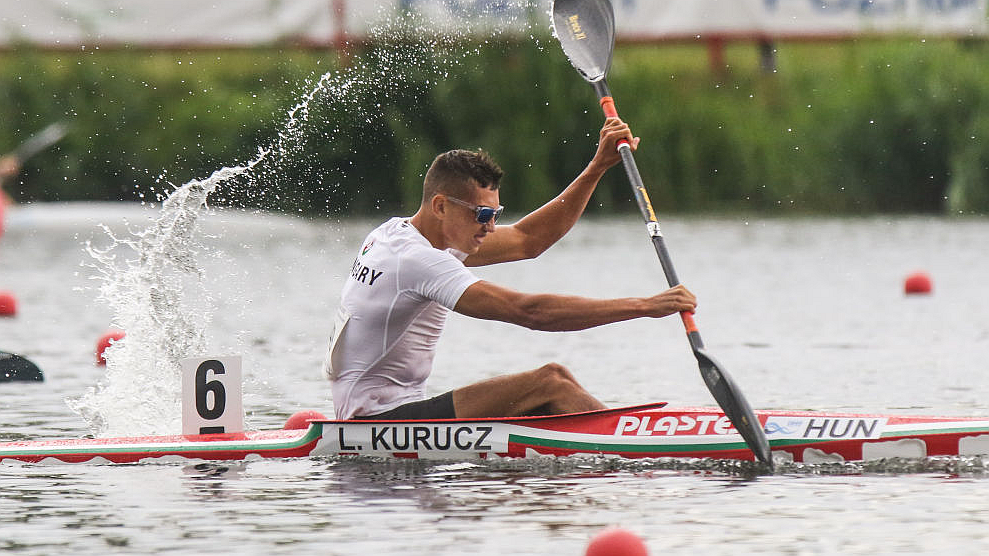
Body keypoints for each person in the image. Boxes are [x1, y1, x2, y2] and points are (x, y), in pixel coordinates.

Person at [325, 118, 697, 420]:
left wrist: (597, 167)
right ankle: (637, 448)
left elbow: (526, 239)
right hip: (377, 422)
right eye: (482, 214)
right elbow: (529, 312)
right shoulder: (419, 262)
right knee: (551, 381)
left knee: (544, 398)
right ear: (440, 206)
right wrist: (644, 306)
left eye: (495, 214)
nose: (489, 226)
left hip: (380, 412)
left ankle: (611, 440)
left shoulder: (394, 234)